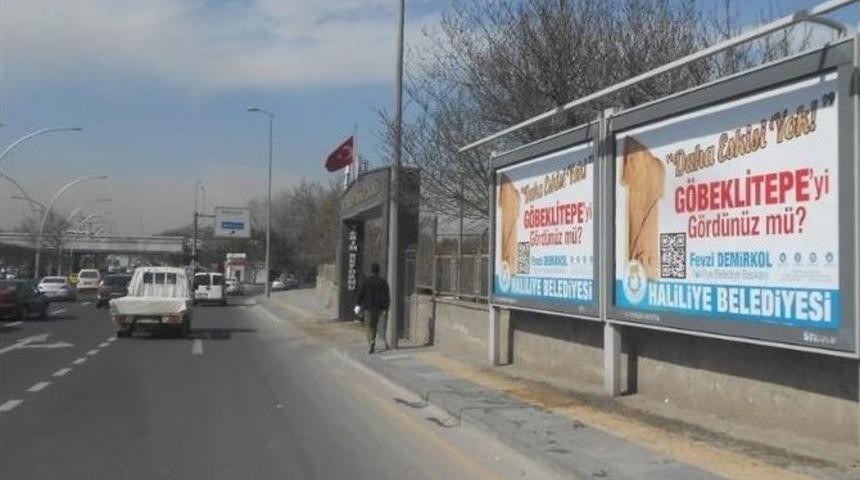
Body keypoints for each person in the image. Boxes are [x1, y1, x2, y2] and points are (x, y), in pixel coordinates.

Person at [356, 262, 390, 354]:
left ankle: (371, 342)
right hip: (379, 307)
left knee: (368, 325)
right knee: (374, 325)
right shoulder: (383, 282)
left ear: (371, 270)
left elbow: (361, 294)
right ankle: (373, 341)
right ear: (379, 271)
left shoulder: (367, 282)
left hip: (369, 307)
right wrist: (386, 307)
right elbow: (387, 295)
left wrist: (358, 305)